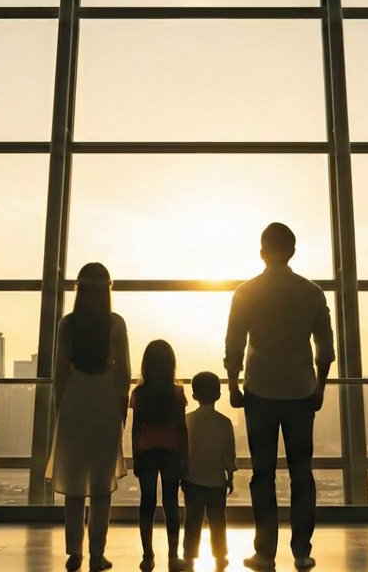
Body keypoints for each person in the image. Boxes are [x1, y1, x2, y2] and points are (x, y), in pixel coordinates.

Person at [225, 223, 335, 571]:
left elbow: (234, 344)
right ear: (292, 251)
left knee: (262, 475)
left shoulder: (246, 292)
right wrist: (320, 386)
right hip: (301, 392)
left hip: (259, 391)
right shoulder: (312, 292)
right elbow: (326, 348)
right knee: (302, 474)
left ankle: (265, 553)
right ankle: (301, 551)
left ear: (262, 252)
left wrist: (232, 383)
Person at [48, 262, 131, 572]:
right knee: (100, 485)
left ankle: (74, 552)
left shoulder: (67, 325)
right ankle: (97, 553)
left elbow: (60, 373)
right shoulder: (115, 324)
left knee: (73, 484)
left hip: (74, 403)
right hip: (105, 402)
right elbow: (124, 372)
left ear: (79, 290)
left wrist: (60, 409)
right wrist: (121, 411)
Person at [131, 340, 189, 572]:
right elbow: (182, 428)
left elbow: (135, 428)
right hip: (171, 452)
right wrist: (186, 456)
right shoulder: (177, 393)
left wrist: (135, 456)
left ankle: (148, 555)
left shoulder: (139, 393)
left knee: (147, 502)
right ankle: (174, 556)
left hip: (146, 452)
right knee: (171, 503)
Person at [181, 371, 236, 570]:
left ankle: (189, 555)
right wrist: (230, 476)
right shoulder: (225, 422)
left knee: (192, 520)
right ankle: (220, 555)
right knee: (218, 521)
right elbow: (228, 455)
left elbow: (183, 452)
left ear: (194, 395)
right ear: (218, 395)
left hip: (193, 479)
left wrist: (183, 474)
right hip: (217, 482)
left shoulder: (187, 421)